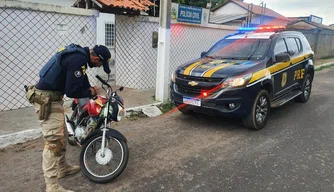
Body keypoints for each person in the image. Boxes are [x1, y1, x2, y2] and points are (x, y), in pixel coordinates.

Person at [25, 44, 111, 192]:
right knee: (53, 142)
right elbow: (72, 90)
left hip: (53, 98)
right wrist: (89, 91)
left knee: (62, 135)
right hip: (46, 100)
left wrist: (91, 92)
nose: (98, 67)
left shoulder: (80, 57)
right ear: (96, 58)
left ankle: (62, 168)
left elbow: (82, 81)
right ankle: (52, 186)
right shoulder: (78, 59)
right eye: (99, 64)